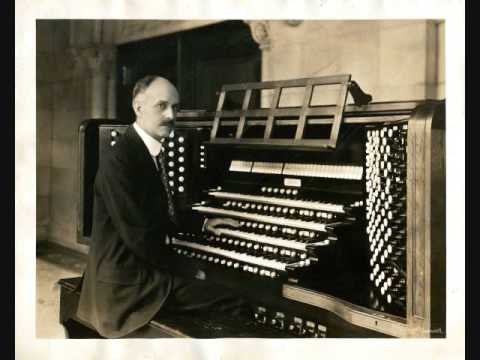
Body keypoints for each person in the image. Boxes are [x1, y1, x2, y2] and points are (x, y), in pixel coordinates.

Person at [76, 75, 246, 338]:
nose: (171, 115)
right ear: (138, 106)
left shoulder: (144, 149)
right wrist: (192, 268)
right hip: (127, 285)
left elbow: (160, 211)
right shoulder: (120, 159)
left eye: (175, 107)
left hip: (134, 271)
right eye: (162, 106)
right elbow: (141, 237)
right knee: (232, 297)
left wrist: (202, 223)